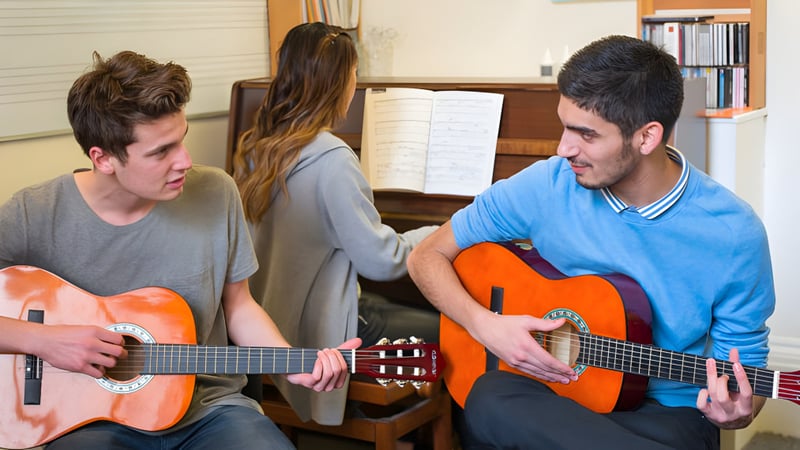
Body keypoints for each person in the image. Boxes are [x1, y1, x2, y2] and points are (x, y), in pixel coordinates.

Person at [406, 35, 775, 450]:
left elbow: (745, 369)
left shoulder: (734, 233)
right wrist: (486, 326)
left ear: (647, 137)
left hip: (666, 416)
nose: (563, 148)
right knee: (490, 396)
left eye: (586, 134)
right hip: (551, 400)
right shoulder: (546, 184)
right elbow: (426, 256)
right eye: (564, 126)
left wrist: (740, 409)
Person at [0, 50, 359, 450]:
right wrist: (42, 340)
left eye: (182, 140)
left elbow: (239, 306)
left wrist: (294, 366)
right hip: (87, 419)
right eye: (161, 152)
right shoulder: (33, 214)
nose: (185, 161)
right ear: (102, 159)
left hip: (210, 410)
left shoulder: (217, 192)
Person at [232, 22, 440, 425]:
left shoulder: (257, 143)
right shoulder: (333, 159)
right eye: (354, 74)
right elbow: (383, 262)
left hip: (271, 322)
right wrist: (443, 232)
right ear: (340, 81)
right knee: (457, 328)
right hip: (324, 328)